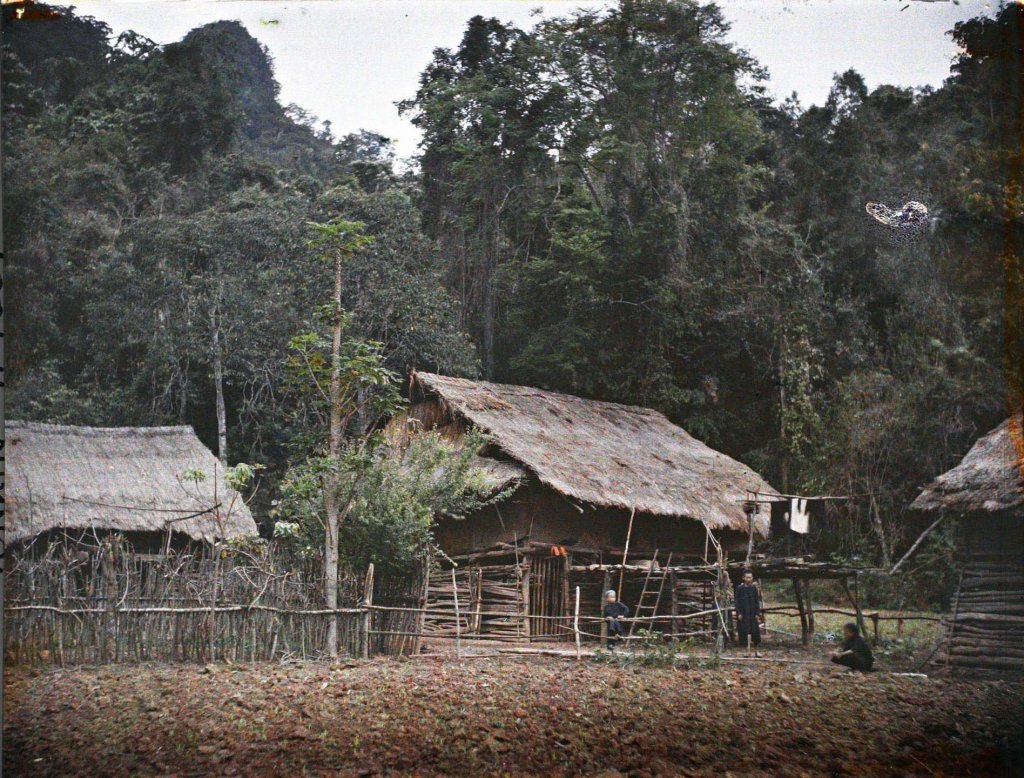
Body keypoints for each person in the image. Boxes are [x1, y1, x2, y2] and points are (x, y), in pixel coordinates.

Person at [734, 570, 764, 657]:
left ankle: (756, 651)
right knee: (744, 631)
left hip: (753, 613)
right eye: (747, 577)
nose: (749, 579)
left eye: (750, 577)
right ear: (743, 578)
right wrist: (739, 613)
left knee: (755, 632)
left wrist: (757, 613)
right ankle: (747, 651)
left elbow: (756, 601)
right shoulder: (739, 588)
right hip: (743, 613)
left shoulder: (754, 588)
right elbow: (737, 602)